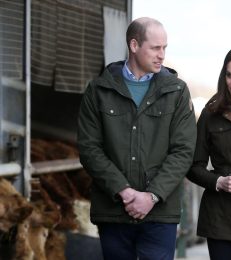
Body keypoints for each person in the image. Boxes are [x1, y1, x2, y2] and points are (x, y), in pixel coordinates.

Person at [77, 17, 197, 260]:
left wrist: (151, 196)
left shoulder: (177, 91)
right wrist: (124, 191)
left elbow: (183, 150)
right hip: (114, 211)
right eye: (155, 47)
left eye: (164, 48)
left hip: (160, 212)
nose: (162, 55)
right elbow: (89, 148)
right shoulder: (99, 90)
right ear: (134, 45)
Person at [187, 45, 231, 260]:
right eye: (229, 75)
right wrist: (218, 181)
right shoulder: (211, 113)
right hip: (220, 214)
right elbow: (193, 166)